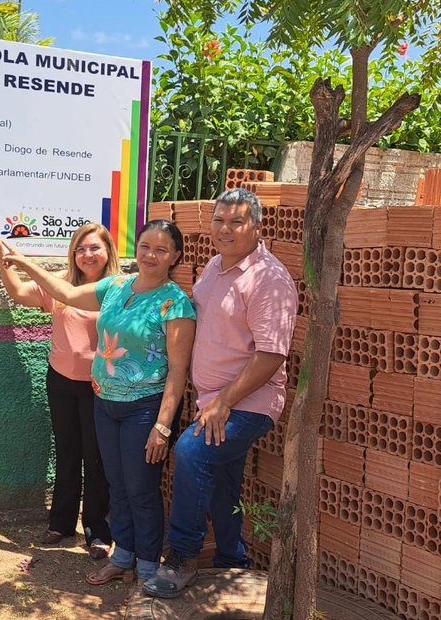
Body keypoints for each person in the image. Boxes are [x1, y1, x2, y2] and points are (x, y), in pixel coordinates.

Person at [1, 220, 196, 584]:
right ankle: (122, 557)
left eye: (161, 249)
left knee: (140, 489)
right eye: (145, 246)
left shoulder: (176, 303)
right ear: (135, 249)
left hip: (144, 408)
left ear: (175, 256)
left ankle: (149, 566)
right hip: (105, 403)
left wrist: (163, 425)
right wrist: (25, 264)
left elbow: (178, 371)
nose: (151, 254)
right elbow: (68, 294)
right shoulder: (116, 286)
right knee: (118, 488)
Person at [142, 188, 297, 599]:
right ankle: (232, 558)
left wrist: (223, 402)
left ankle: (181, 558)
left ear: (257, 226)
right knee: (224, 480)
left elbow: (271, 356)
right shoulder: (214, 266)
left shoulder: (268, 279)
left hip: (249, 404)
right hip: (212, 401)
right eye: (219, 220)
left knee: (191, 454)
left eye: (236, 221)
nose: (225, 229)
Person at [0, 218, 118, 558]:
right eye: (81, 248)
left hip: (99, 385)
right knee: (68, 451)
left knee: (96, 457)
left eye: (94, 248)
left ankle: (98, 531)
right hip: (60, 379)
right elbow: (18, 292)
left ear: (108, 251)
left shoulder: (117, 288)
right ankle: (60, 523)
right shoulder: (59, 284)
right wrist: (0, 254)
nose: (87, 254)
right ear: (73, 253)